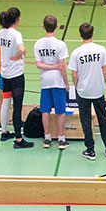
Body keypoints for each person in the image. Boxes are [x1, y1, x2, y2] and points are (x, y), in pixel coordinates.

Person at [70, 24, 106, 160]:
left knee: (86, 120)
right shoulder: (101, 50)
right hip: (98, 90)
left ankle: (90, 150)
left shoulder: (76, 53)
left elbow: (74, 74)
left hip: (83, 91)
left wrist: (78, 87)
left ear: (80, 34)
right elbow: (105, 70)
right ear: (92, 34)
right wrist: (101, 84)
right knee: (102, 118)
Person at [32, 15, 71, 150]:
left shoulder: (38, 44)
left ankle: (47, 137)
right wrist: (66, 82)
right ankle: (61, 138)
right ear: (56, 27)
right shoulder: (60, 44)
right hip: (58, 80)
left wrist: (50, 66)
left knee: (45, 110)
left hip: (45, 81)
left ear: (43, 26)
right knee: (60, 111)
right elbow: (62, 66)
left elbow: (39, 64)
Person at [0, 7, 29, 148]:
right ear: (17, 19)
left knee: (6, 101)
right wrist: (17, 55)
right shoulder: (16, 34)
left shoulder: (1, 33)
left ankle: (4, 132)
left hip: (5, 74)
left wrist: (4, 48)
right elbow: (23, 49)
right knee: (17, 106)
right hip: (16, 75)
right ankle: (19, 139)